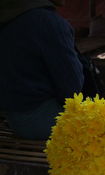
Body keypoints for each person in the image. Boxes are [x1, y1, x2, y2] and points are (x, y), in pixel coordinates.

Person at [0, 0, 84, 140]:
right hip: (42, 120)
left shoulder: (9, 16)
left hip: (14, 117)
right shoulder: (48, 22)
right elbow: (72, 87)